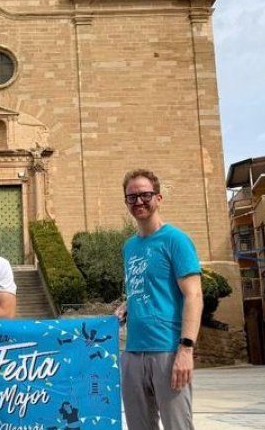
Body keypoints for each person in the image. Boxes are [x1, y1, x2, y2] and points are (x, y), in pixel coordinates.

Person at [115, 169, 202, 430]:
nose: (139, 201)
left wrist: (186, 350)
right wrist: (127, 305)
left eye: (145, 195)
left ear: (159, 198)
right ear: (126, 202)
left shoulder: (176, 240)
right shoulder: (129, 247)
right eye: (132, 197)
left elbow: (194, 295)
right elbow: (145, 288)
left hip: (167, 350)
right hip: (132, 352)